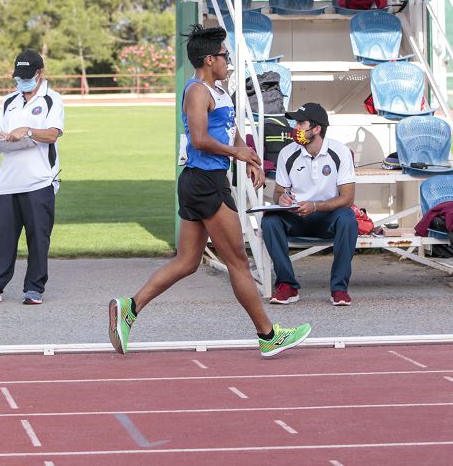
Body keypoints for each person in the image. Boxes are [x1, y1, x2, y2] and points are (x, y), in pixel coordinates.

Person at [109, 25, 311, 358]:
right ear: (208, 59)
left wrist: (246, 155)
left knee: (187, 261)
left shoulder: (218, 91)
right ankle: (268, 335)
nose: (228, 62)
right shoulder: (197, 92)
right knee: (239, 262)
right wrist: (237, 154)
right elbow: (199, 139)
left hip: (203, 180)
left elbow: (227, 130)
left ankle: (129, 308)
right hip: (205, 181)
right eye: (224, 56)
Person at [0, 49, 63, 306]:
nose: (22, 81)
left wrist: (27, 130)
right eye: (19, 77)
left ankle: (34, 289)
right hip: (8, 180)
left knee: (38, 237)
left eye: (27, 76)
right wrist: (1, 138)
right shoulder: (9, 101)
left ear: (40, 73)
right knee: (2, 239)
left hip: (39, 179)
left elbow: (53, 134)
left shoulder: (52, 99)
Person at [262, 102, 358, 307]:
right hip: (296, 216)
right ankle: (287, 285)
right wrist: (281, 199)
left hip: (327, 217)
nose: (295, 128)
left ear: (317, 129)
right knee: (269, 220)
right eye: (295, 123)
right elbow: (278, 192)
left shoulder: (339, 152)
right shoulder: (288, 153)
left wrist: (315, 206)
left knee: (348, 218)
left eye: (300, 123)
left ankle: (339, 289)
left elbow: (348, 198)